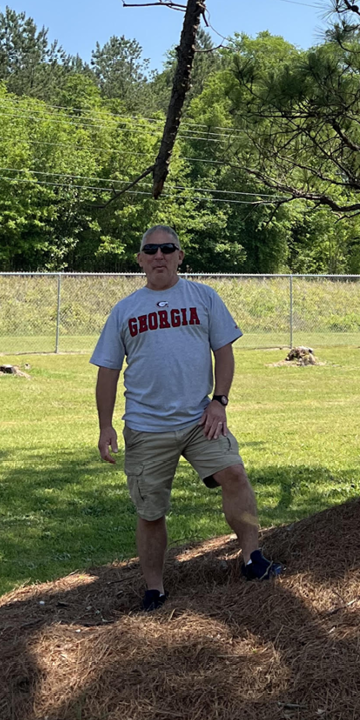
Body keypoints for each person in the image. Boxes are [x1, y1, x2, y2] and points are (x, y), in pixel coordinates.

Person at [92, 225, 281, 611]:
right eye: (151, 249)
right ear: (141, 259)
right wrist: (105, 425)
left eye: (168, 248)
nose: (159, 255)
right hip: (146, 429)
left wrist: (220, 401)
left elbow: (224, 353)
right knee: (150, 512)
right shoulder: (125, 310)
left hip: (202, 421)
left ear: (180, 256)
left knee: (235, 475)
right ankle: (154, 589)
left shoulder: (204, 297)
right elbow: (108, 370)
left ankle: (251, 559)